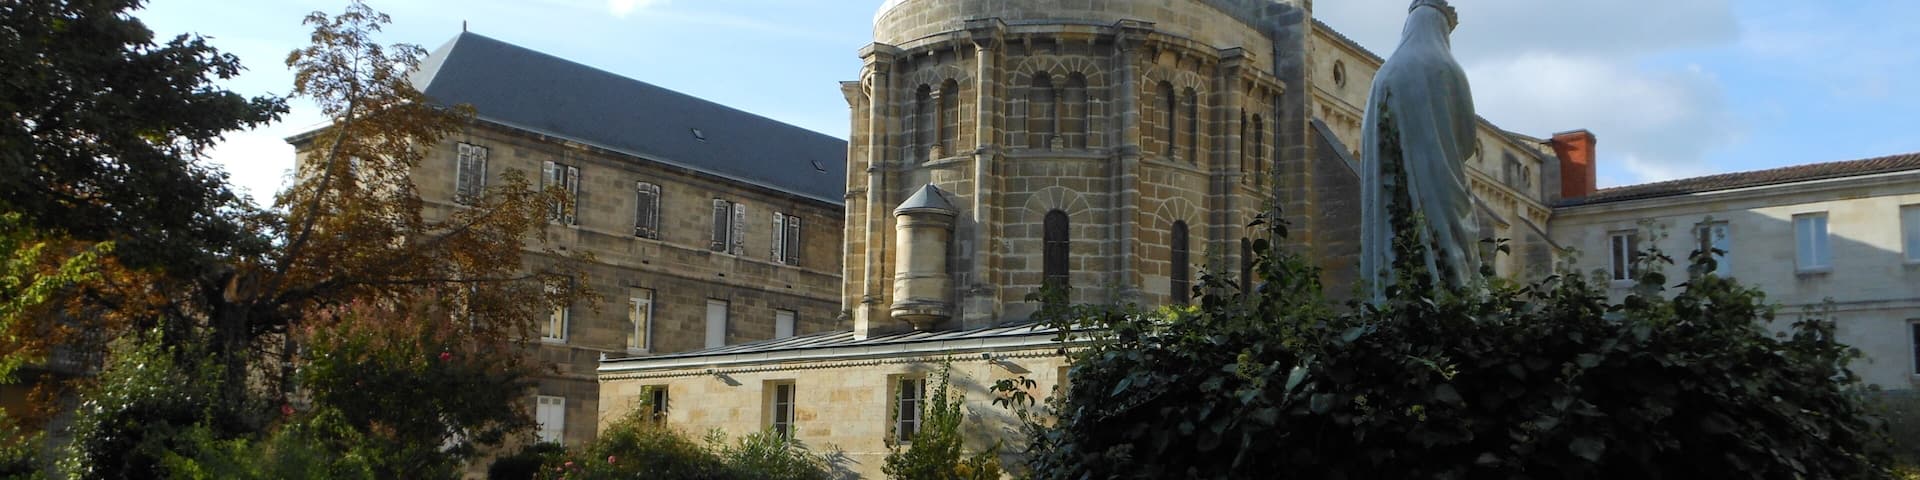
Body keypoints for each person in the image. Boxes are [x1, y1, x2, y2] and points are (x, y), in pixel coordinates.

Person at [1358, 0, 1482, 302]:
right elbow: (1466, 140)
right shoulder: (1448, 68)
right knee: (1452, 261)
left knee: (1399, 245)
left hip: (1393, 190)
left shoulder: (1385, 73)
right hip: (1442, 186)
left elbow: (1368, 136)